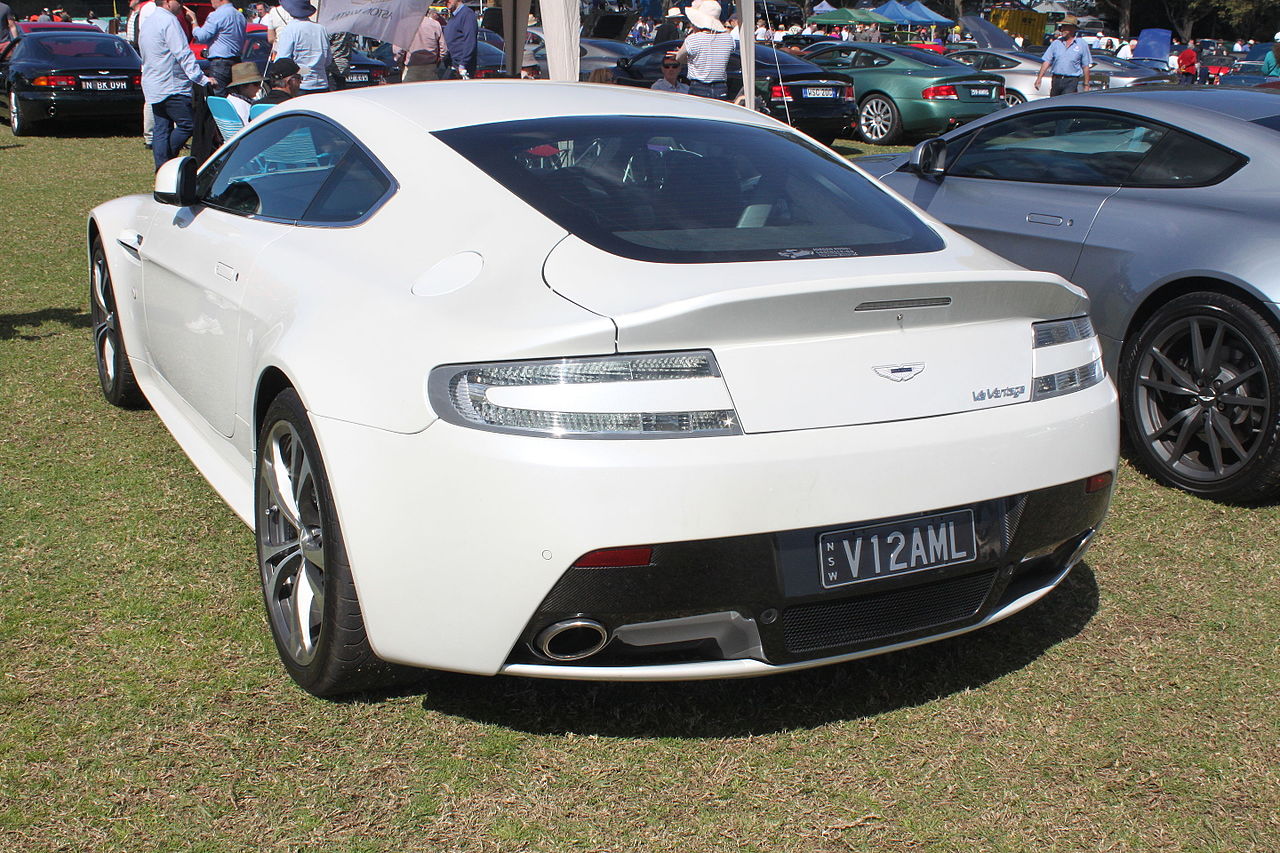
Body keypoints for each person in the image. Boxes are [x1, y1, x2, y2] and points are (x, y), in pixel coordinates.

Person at [139, 0, 214, 168]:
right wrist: (201, 79)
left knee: (161, 128)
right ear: (167, 2)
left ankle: (161, 166)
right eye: (178, 1)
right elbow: (183, 53)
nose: (181, 4)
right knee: (188, 124)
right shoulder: (169, 21)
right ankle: (166, 162)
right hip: (171, 84)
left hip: (154, 83)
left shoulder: (149, 21)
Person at [676, 0, 733, 100]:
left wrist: (689, 58)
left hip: (699, 86)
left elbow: (679, 58)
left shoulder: (693, 39)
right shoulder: (728, 38)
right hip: (721, 87)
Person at [271, 0, 330, 94]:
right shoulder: (321, 29)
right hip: (322, 83)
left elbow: (282, 60)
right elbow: (327, 60)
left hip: (299, 85)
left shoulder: (290, 29)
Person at [192, 0, 247, 95]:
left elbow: (201, 37)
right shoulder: (239, 15)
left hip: (220, 63)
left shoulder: (217, 15)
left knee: (219, 97)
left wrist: (194, 21)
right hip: (236, 62)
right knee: (235, 97)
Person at [1033, 23, 1092, 96]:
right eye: (1062, 27)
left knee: (1065, 102)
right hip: (1056, 80)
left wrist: (1086, 84)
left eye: (1065, 27)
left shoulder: (1082, 44)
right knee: (1053, 103)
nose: (1062, 30)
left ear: (1073, 29)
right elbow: (1047, 61)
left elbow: (1085, 66)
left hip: (1071, 81)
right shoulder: (1056, 43)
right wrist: (1039, 78)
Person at [393, 7, 445, 82]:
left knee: (410, 93)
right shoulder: (435, 24)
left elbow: (398, 50)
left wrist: (400, 63)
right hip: (430, 68)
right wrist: (437, 61)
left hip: (411, 69)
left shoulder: (403, 24)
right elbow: (443, 49)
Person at [442, 0, 477, 79]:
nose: (446, 2)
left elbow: (470, 41)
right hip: (452, 65)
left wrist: (463, 64)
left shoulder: (467, 14)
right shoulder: (453, 16)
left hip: (462, 68)